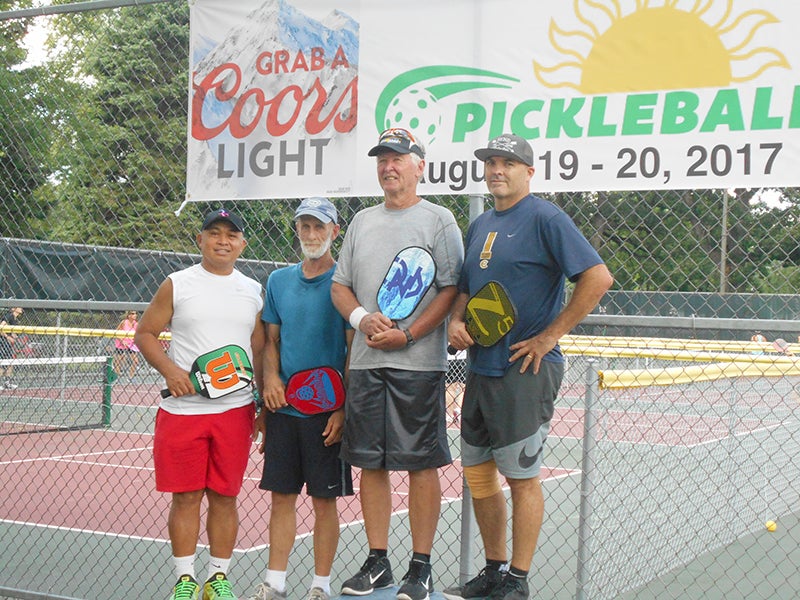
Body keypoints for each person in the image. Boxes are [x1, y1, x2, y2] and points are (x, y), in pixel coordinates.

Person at [444, 134, 613, 600]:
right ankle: (495, 569)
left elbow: (597, 277)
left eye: (508, 163)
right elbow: (464, 287)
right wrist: (456, 320)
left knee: (521, 477)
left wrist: (549, 336)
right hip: (481, 366)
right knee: (478, 473)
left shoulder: (545, 217)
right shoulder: (479, 225)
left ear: (528, 171)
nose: (497, 170)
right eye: (491, 162)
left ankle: (518, 580)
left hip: (525, 369)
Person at [331, 128, 464, 600]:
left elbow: (450, 288)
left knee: (420, 464)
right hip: (365, 365)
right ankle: (378, 562)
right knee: (372, 463)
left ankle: (420, 567)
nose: (389, 166)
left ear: (419, 165)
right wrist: (364, 319)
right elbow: (339, 286)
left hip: (419, 367)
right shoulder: (362, 221)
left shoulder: (440, 219)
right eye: (383, 159)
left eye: (398, 159)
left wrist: (407, 334)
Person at [135, 209, 265, 600]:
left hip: (235, 412)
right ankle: (185, 580)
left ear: (242, 244)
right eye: (214, 233)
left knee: (225, 497)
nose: (222, 241)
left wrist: (260, 405)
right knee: (187, 497)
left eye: (231, 235)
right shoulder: (177, 284)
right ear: (200, 239)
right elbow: (144, 333)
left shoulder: (253, 290)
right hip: (183, 413)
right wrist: (171, 372)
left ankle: (218, 579)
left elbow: (258, 350)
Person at [247, 198, 354, 600]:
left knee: (325, 502)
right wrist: (270, 381)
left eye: (319, 227)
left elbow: (351, 352)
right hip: (283, 411)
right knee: (282, 498)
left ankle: (320, 587)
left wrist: (342, 407)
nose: (311, 234)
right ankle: (275, 583)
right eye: (304, 226)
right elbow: (270, 341)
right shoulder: (277, 281)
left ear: (334, 232)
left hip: (326, 414)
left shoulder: (345, 284)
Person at [0, 307, 23, 389]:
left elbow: (11, 332)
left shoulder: (15, 319)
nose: (21, 308)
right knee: (2, 363)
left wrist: (13, 336)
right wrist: (7, 337)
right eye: (19, 306)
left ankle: (7, 382)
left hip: (7, 343)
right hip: (2, 341)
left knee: (10, 362)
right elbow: (1, 328)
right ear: (13, 308)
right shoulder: (9, 316)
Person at [114, 310, 140, 378]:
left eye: (135, 314)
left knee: (135, 361)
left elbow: (137, 334)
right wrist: (122, 340)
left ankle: (130, 377)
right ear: (129, 315)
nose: (135, 315)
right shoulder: (124, 322)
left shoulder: (136, 324)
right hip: (121, 343)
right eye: (133, 314)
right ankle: (117, 376)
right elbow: (116, 332)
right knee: (120, 360)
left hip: (130, 344)